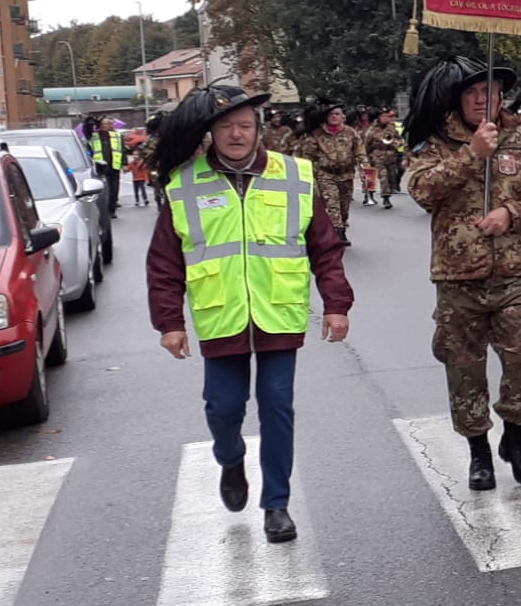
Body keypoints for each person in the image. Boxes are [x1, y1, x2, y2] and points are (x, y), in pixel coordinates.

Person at [146, 85, 353, 543]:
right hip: (220, 316)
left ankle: (276, 504)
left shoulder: (296, 175)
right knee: (223, 409)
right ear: (211, 134)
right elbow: (164, 262)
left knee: (277, 407)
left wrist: (336, 304)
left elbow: (325, 248)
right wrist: (170, 322)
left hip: (278, 313)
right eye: (225, 127)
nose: (236, 134)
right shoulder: (184, 183)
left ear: (260, 130)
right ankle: (231, 460)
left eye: (244, 126)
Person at [406, 58, 521, 491]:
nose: (483, 100)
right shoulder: (434, 141)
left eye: (492, 92)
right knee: (463, 367)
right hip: (457, 277)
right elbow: (421, 192)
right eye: (474, 93)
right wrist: (471, 155)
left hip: (515, 274)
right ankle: (478, 451)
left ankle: (515, 438)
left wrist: (511, 214)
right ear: (458, 97)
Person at [297, 102, 364, 245]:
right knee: (332, 205)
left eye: (337, 114)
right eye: (331, 114)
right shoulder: (316, 134)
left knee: (344, 206)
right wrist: (307, 174)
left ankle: (342, 228)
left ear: (343, 117)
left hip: (346, 175)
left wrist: (365, 167)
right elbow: (307, 155)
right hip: (325, 175)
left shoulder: (350, 132)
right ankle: (337, 234)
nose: (334, 117)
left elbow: (359, 151)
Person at [363, 108, 405, 209]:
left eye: (387, 116)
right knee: (383, 176)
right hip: (377, 157)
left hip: (391, 157)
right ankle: (385, 198)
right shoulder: (372, 129)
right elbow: (366, 144)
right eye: (383, 116)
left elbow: (400, 140)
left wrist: (396, 144)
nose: (385, 118)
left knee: (391, 178)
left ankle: (385, 192)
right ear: (378, 118)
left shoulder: (392, 127)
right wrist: (366, 157)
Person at [84, 115, 125, 219]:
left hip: (114, 167)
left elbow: (122, 149)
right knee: (105, 191)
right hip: (101, 168)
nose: (105, 126)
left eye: (107, 124)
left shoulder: (117, 136)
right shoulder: (93, 136)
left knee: (114, 190)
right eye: (103, 124)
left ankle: (112, 210)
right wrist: (92, 121)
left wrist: (124, 164)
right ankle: (105, 210)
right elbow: (87, 129)